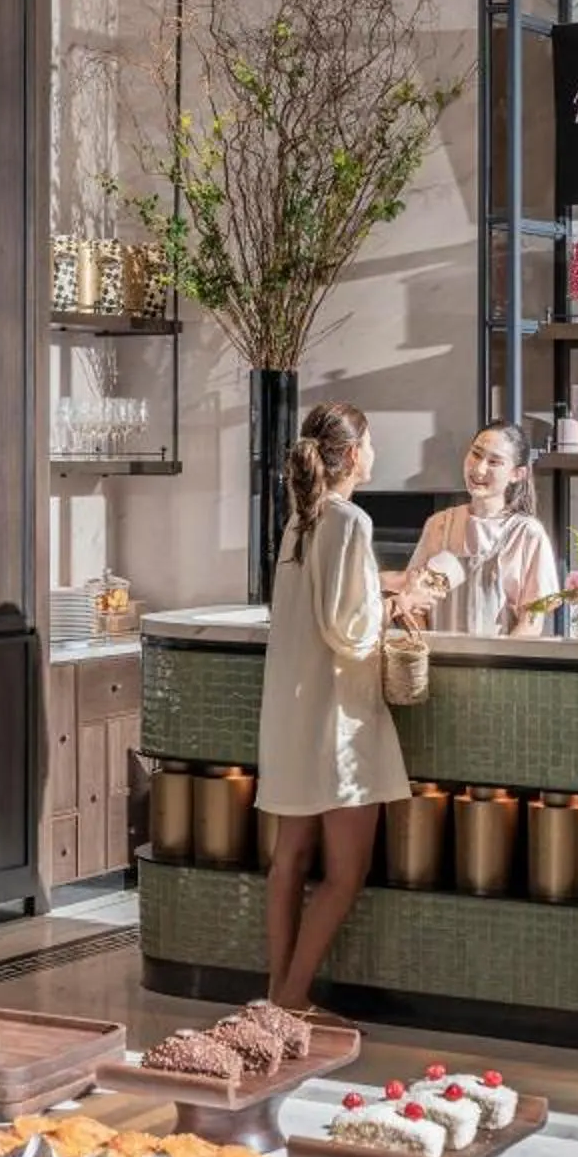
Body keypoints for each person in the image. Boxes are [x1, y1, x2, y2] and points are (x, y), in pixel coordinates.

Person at [256, 402, 405, 1011]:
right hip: (338, 720)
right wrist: (400, 602)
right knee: (346, 871)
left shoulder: (303, 521)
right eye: (369, 442)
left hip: (292, 711)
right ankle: (293, 1002)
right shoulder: (350, 521)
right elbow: (351, 628)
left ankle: (273, 1000)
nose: (374, 453)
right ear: (352, 453)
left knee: (289, 860)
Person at [396, 421, 561, 636]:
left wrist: (499, 666)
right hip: (437, 662)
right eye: (476, 454)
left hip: (499, 665)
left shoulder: (527, 533)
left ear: (517, 474)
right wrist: (427, 651)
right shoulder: (439, 524)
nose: (479, 468)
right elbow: (412, 604)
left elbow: (532, 621)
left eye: (494, 462)